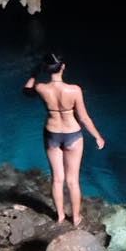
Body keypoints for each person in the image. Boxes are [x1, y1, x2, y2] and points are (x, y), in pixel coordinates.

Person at [23, 53, 106, 226]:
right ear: (63, 67)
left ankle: (60, 216)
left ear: (47, 69)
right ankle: (75, 218)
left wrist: (35, 73)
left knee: (57, 179)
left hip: (52, 133)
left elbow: (26, 91)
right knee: (72, 181)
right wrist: (97, 136)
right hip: (72, 134)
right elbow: (84, 118)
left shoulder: (41, 88)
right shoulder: (74, 90)